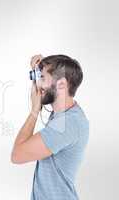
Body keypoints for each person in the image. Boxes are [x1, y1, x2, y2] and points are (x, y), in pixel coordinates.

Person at [11, 54, 89, 200]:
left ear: (62, 84)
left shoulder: (66, 124)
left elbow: (17, 155)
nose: (38, 85)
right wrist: (39, 71)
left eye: (42, 78)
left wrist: (35, 111)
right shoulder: (64, 114)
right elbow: (51, 81)